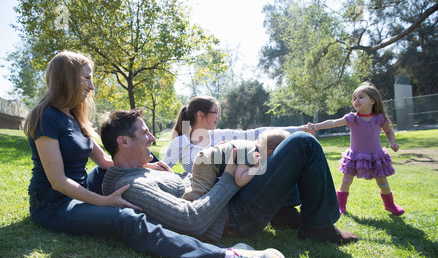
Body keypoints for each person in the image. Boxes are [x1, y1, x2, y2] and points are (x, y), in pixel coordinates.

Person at [23, 50, 288, 258]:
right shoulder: (47, 116)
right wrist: (105, 202)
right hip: (54, 202)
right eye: (86, 78)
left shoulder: (74, 118)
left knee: (136, 179)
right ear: (67, 78)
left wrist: (148, 168)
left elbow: (106, 161)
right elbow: (57, 180)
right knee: (125, 218)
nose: (91, 86)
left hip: (81, 185)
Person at [101, 109, 358, 245]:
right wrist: (229, 176)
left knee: (273, 146)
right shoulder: (130, 185)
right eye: (145, 134)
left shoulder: (141, 170)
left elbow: (185, 188)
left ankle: (285, 212)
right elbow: (190, 221)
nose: (153, 138)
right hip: (233, 219)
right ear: (123, 142)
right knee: (302, 143)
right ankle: (319, 227)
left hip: (229, 201)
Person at [163, 96, 304, 228]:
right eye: (215, 112)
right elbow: (164, 169)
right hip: (210, 191)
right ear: (200, 115)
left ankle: (285, 210)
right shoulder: (181, 142)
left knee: (272, 160)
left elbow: (255, 133)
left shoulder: (219, 134)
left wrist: (299, 130)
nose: (218, 117)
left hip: (235, 184)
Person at [307, 81, 404, 216]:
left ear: (372, 100)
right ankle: (340, 205)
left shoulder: (379, 118)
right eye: (354, 98)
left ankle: (390, 204)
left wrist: (392, 142)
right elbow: (333, 122)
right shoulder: (352, 118)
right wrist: (316, 126)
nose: (356, 100)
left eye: (360, 97)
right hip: (355, 157)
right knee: (346, 180)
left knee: (383, 182)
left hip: (376, 156)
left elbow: (389, 130)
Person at [183, 129, 290, 201]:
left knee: (202, 188)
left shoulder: (254, 145)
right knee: (200, 191)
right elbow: (239, 179)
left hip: (208, 158)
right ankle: (181, 208)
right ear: (270, 153)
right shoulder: (253, 155)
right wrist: (256, 168)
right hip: (208, 162)